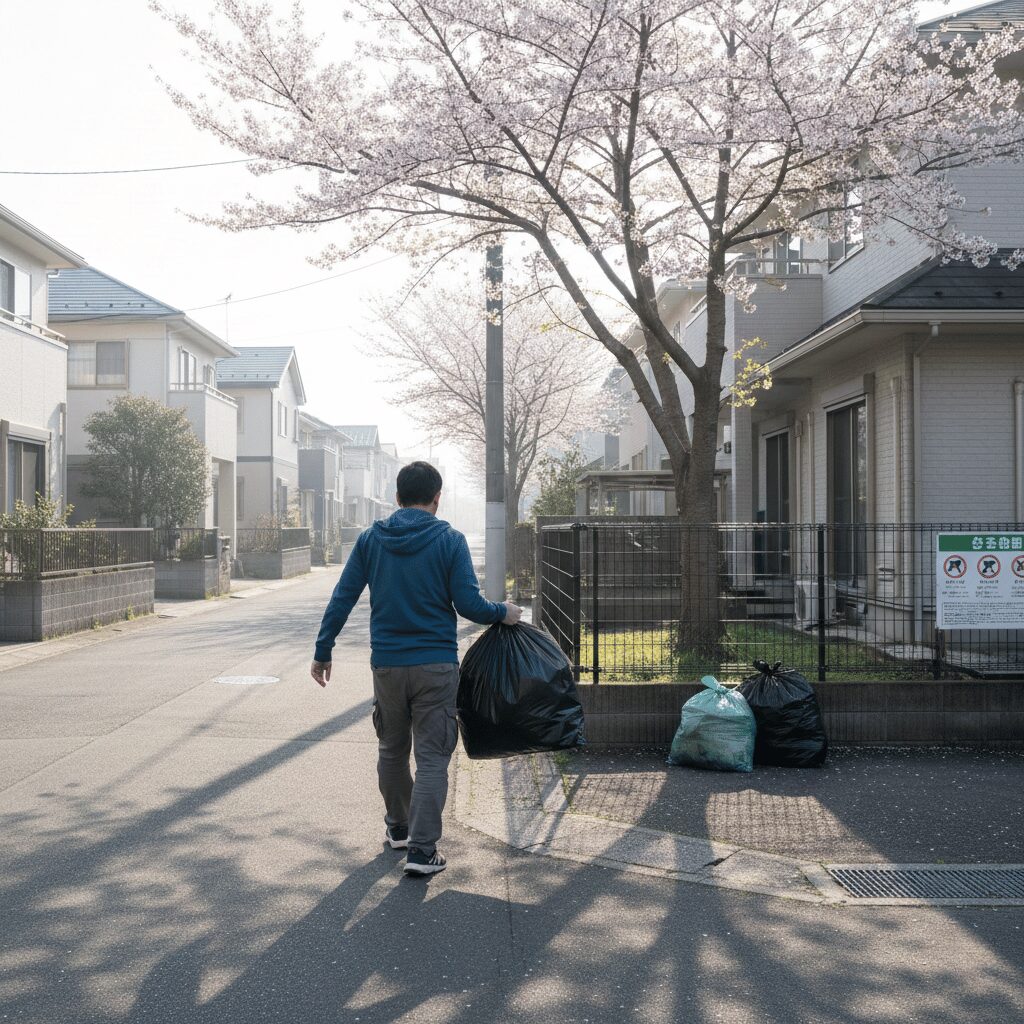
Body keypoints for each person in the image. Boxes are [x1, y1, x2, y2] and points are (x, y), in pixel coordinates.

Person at [311, 461, 522, 876]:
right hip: (436, 666)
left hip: (387, 665)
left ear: (397, 497)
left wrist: (323, 650)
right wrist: (505, 612)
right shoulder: (450, 540)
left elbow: (343, 596)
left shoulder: (372, 539)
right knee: (431, 758)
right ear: (437, 498)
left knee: (391, 749)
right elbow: (469, 605)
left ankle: (400, 828)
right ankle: (423, 852)